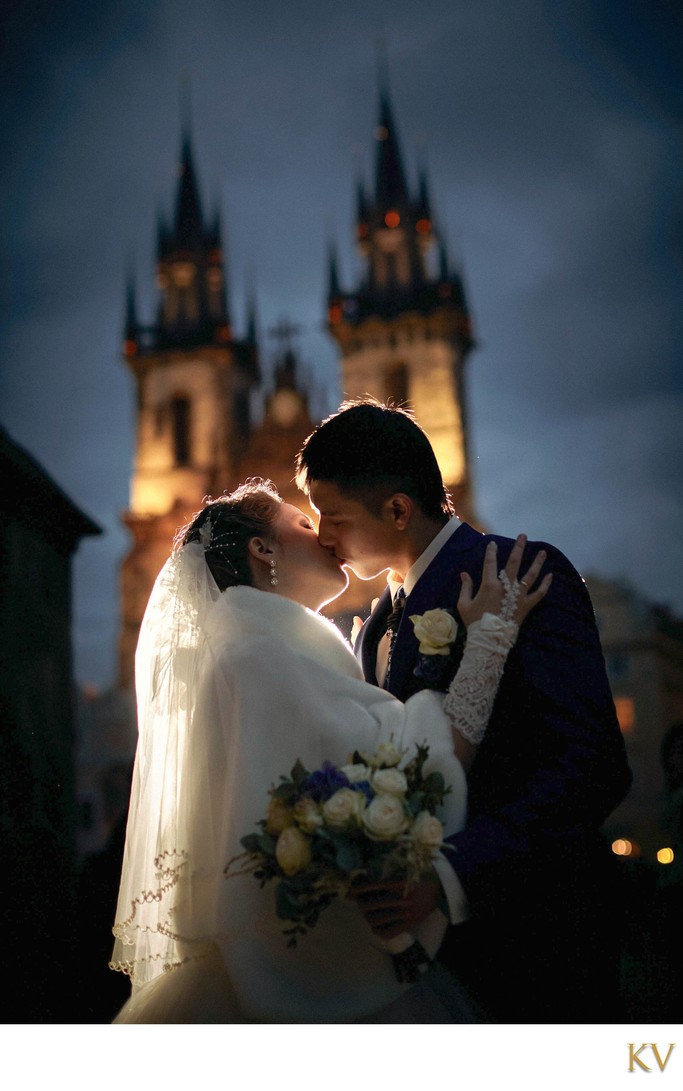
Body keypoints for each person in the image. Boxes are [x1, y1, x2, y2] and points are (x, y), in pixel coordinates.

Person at [109, 479, 547, 1023]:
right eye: (303, 523)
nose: (326, 537)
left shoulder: (254, 652)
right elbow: (414, 771)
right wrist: (490, 638)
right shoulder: (260, 658)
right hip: (314, 982)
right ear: (262, 550)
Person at [295, 397, 633, 1023]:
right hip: (426, 968)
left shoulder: (523, 572)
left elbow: (592, 766)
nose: (322, 537)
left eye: (333, 516)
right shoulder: (373, 628)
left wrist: (451, 874)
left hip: (538, 945)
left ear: (398, 509)